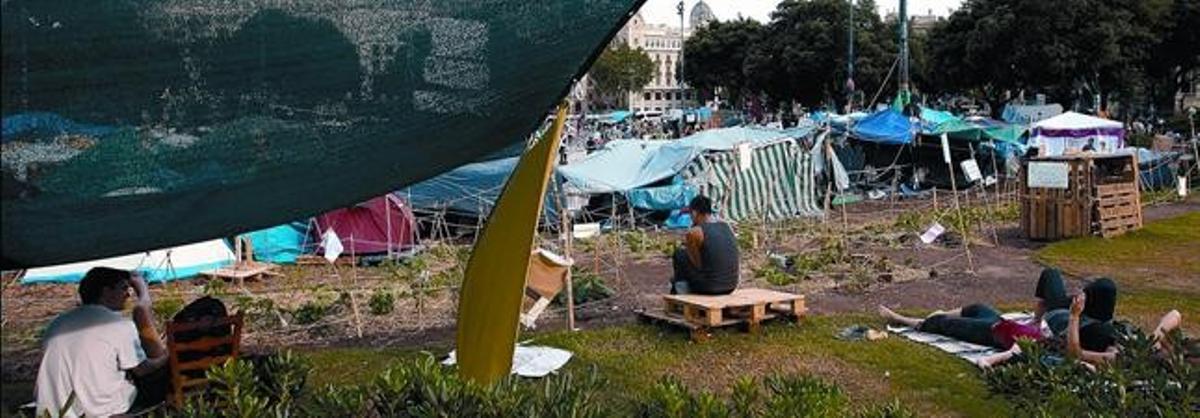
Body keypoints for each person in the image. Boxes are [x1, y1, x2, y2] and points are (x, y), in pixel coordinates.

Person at [878, 268, 1120, 364]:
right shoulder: (1119, 334)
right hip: (1050, 318)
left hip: (1019, 332)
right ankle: (1036, 318)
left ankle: (906, 321)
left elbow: (1074, 354)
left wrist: (1075, 317)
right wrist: (1039, 321)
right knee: (1052, 274)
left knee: (953, 320)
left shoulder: (1109, 348)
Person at [35, 267, 168, 417]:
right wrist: (167, 358)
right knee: (158, 379)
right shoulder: (118, 325)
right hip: (100, 410)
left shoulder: (57, 323)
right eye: (124, 288)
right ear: (106, 291)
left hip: (55, 409)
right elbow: (142, 369)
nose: (128, 294)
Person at [669, 196, 739, 295]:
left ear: (694, 213)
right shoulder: (725, 226)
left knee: (679, 254)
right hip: (731, 285)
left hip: (710, 287)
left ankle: (683, 296)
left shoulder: (695, 232)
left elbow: (697, 264)